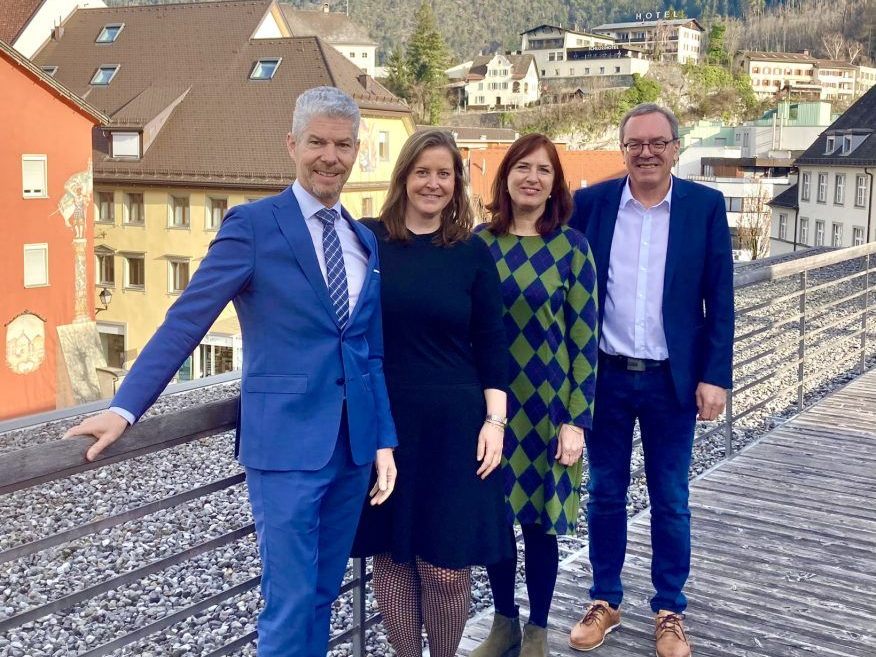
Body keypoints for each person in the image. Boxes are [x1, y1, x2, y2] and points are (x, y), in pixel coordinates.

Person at [63, 86, 398, 657]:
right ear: (291, 145)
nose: (329, 156)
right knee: (289, 603)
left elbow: (370, 351)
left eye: (343, 145)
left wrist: (383, 439)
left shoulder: (361, 238)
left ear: (356, 151)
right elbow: (186, 321)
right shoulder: (253, 225)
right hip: (285, 446)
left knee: (323, 595)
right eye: (316, 142)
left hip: (353, 447)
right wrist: (124, 408)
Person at [567, 103, 734, 657]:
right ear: (622, 149)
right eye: (635, 143)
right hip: (605, 378)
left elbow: (720, 298)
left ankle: (669, 609)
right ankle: (605, 600)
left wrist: (715, 375)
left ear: (675, 149)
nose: (646, 153)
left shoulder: (704, 207)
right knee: (604, 494)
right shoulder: (591, 205)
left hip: (672, 382)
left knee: (671, 498)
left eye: (657, 142)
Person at [350, 129, 510, 657]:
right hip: (386, 422)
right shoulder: (367, 241)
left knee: (447, 568)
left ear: (457, 182)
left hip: (455, 428)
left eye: (444, 173)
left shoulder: (471, 252)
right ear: (404, 177)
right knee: (393, 557)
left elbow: (492, 343)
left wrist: (495, 422)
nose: (433, 183)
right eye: (422, 172)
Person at [473, 134, 599, 657]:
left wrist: (577, 420)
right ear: (505, 177)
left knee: (540, 525)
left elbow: (585, 341)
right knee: (496, 519)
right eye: (522, 167)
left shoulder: (572, 248)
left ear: (555, 184)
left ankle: (538, 632)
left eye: (543, 170)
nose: (532, 177)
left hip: (549, 409)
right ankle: (503, 625)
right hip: (491, 408)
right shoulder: (479, 244)